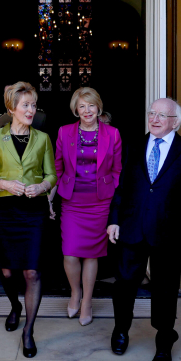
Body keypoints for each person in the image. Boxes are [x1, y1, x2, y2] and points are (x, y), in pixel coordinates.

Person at [106, 98, 181, 361]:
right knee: (125, 283)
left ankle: (164, 342)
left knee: (165, 289)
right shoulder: (134, 145)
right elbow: (121, 189)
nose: (155, 119)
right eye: (152, 113)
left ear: (176, 122)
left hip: (168, 232)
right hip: (131, 227)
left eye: (162, 115)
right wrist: (114, 220)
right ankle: (120, 330)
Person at [0, 81, 57, 358]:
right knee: (7, 271)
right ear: (11, 107)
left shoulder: (43, 138)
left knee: (32, 271)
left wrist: (42, 188)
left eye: (34, 105)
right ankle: (15, 306)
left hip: (33, 211)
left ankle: (28, 331)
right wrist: (3, 184)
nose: (31, 110)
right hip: (6, 211)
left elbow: (52, 175)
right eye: (25, 105)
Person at [54, 87, 122, 326]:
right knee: (70, 253)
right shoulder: (64, 132)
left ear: (98, 107)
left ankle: (87, 302)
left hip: (100, 203)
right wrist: (49, 199)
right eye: (82, 106)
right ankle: (75, 292)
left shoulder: (112, 134)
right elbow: (58, 169)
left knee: (92, 254)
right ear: (75, 109)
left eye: (91, 105)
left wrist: (113, 198)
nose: (87, 110)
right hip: (72, 202)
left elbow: (117, 170)